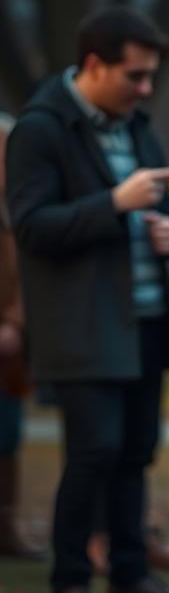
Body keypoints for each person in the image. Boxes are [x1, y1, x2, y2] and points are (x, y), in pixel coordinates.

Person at [6, 6, 169, 593]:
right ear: (94, 65)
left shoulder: (139, 127)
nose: (146, 89)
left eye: (151, 75)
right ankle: (69, 588)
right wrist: (113, 204)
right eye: (135, 75)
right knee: (92, 453)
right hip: (83, 329)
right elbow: (32, 227)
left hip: (149, 323)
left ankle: (130, 579)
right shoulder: (41, 131)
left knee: (134, 454)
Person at [0, 113, 43, 559]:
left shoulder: (18, 212)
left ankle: (6, 524)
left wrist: (14, 321)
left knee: (8, 434)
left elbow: (26, 279)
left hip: (10, 350)